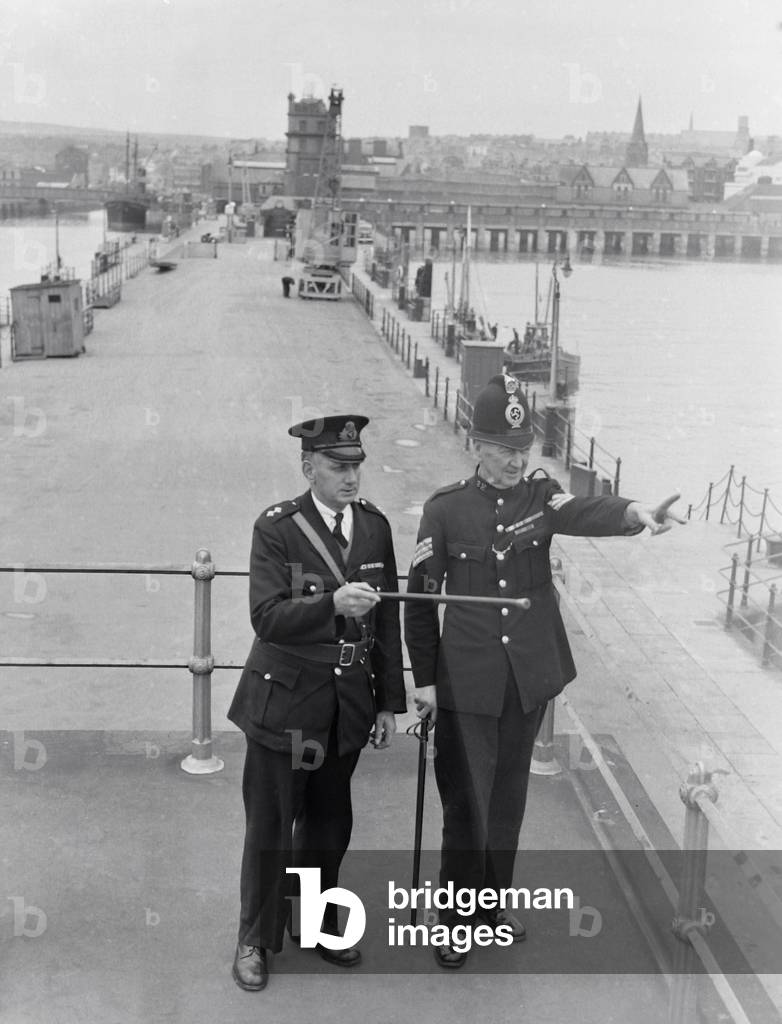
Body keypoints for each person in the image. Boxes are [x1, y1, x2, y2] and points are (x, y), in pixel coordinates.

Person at [404, 374, 685, 970]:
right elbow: (421, 601)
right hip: (467, 684)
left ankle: (489, 909)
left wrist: (635, 512)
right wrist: (424, 681)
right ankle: (454, 923)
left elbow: (582, 510)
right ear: (477, 444)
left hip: (525, 679)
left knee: (508, 801)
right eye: (504, 449)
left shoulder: (539, 496)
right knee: (467, 806)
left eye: (523, 448)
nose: (516, 460)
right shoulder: (445, 510)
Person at [228, 414, 406, 991]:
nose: (351, 477)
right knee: (271, 826)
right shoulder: (277, 528)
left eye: (356, 466)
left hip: (346, 704)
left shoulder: (374, 527)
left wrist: (388, 702)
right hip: (285, 703)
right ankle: (254, 938)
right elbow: (266, 617)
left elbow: (387, 619)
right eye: (337, 466)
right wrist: (330, 604)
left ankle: (312, 921)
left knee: (329, 824)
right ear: (309, 469)